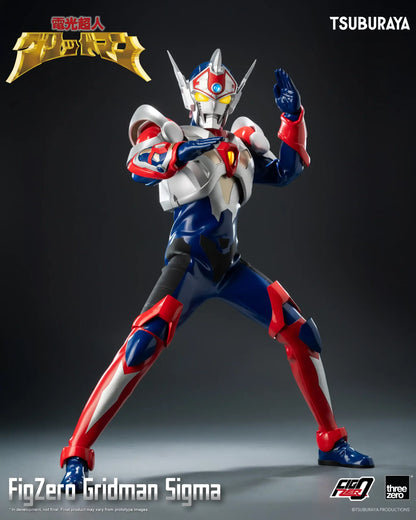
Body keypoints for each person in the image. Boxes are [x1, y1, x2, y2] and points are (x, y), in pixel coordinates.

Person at [61, 49, 374, 491]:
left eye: (222, 99)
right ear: (189, 97)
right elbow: (139, 165)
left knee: (302, 333)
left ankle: (331, 442)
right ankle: (76, 454)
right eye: (207, 98)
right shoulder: (169, 134)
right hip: (188, 264)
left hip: (229, 267)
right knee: (140, 347)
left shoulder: (240, 146)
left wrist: (293, 117)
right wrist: (183, 150)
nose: (214, 107)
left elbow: (285, 171)